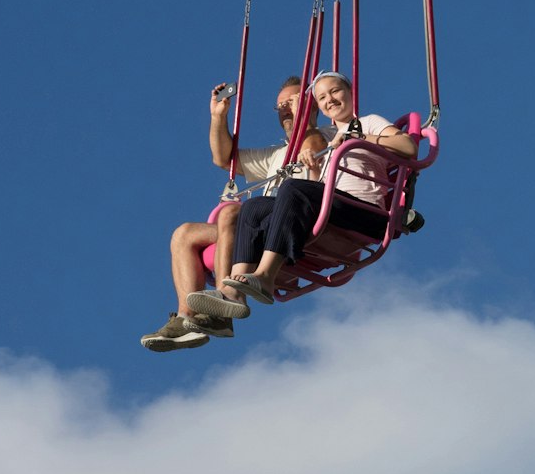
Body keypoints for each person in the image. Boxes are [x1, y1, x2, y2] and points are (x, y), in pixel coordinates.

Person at [187, 71, 418, 318]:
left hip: (364, 212)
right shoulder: (332, 141)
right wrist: (316, 167)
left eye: (335, 91)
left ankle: (265, 276)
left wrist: (358, 137)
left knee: (292, 188)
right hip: (334, 209)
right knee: (253, 207)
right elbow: (318, 187)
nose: (330, 99)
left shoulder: (366, 123)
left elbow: (408, 147)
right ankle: (235, 291)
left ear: (350, 93)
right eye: (322, 96)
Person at [141, 77, 327, 352]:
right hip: (259, 223)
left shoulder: (324, 135)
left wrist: (305, 117)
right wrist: (219, 117)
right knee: (184, 234)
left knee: (229, 214)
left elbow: (310, 147)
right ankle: (186, 319)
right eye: (280, 107)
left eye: (292, 102)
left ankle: (225, 305)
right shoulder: (275, 154)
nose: (286, 110)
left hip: (293, 218)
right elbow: (223, 158)